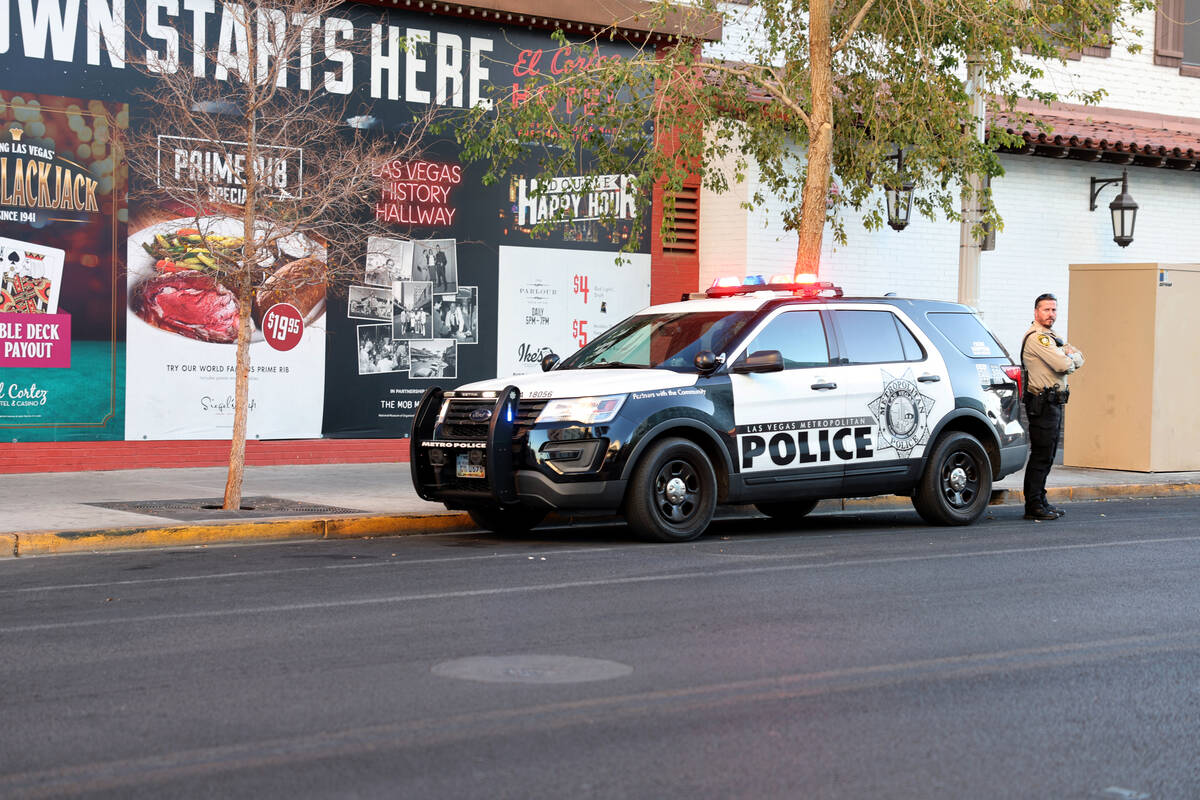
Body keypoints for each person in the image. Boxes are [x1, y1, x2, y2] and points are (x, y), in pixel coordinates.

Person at [1021, 292, 1084, 521]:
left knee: (1047, 455)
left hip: (1053, 404)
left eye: (1054, 310)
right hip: (1042, 404)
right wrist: (1071, 359)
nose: (1051, 314)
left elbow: (1080, 356)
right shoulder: (1038, 338)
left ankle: (1041, 500)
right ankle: (1033, 506)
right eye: (1046, 310)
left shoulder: (1052, 336)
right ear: (1036, 312)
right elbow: (1062, 363)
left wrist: (1072, 358)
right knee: (1041, 456)